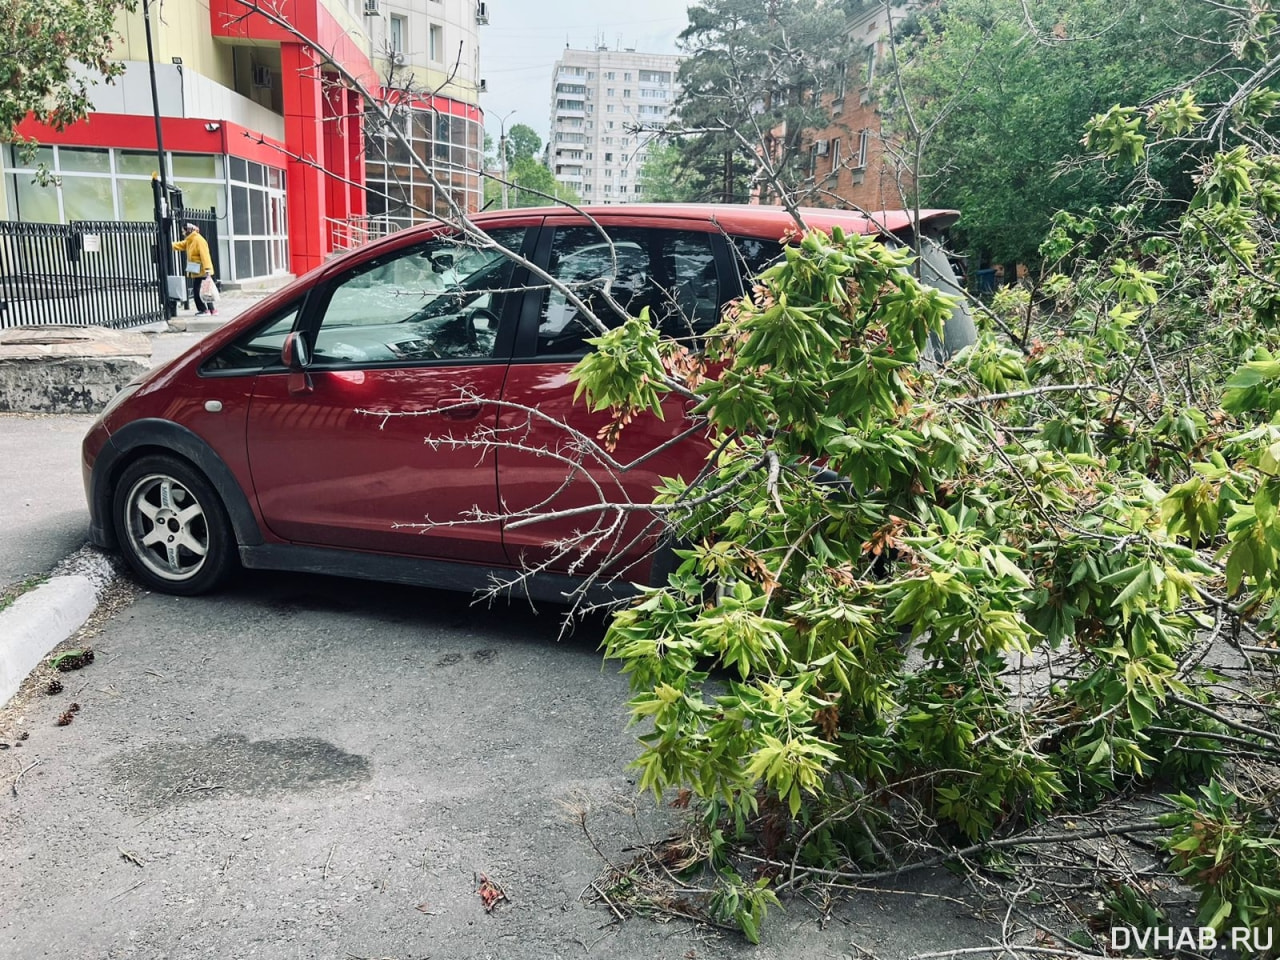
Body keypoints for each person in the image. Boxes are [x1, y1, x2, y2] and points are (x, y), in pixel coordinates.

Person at [172, 223, 217, 316]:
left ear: (188, 230)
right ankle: (212, 310)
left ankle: (204, 310)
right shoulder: (190, 240)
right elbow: (181, 245)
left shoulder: (198, 240)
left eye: (183, 231)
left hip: (202, 271)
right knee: (205, 291)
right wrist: (169, 244)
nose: (183, 233)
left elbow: (205, 256)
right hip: (199, 271)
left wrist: (207, 270)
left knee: (198, 291)